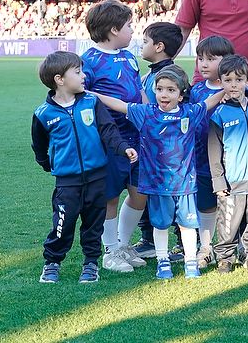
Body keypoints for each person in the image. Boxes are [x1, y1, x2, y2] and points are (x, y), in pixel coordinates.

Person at [94, 65, 225, 280]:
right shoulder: (146, 113)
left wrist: (229, 89)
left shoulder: (189, 113)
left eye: (171, 90)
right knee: (161, 224)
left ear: (181, 95)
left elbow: (209, 102)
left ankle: (191, 262)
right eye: (160, 89)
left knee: (187, 225)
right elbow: (120, 105)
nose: (164, 94)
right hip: (158, 185)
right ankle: (163, 261)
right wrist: (93, 94)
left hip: (185, 184)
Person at [31, 51, 139, 284]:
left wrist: (122, 148)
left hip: (97, 177)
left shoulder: (92, 102)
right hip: (67, 181)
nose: (84, 76)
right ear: (60, 79)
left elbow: (108, 131)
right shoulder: (43, 114)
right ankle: (52, 262)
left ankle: (90, 263)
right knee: (63, 224)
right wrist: (47, 164)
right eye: (78, 72)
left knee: (93, 225)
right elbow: (39, 145)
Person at [80, 0, 147, 273]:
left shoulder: (130, 57)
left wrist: (149, 117)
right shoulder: (88, 61)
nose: (133, 30)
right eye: (129, 25)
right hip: (108, 139)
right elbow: (82, 97)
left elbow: (138, 91)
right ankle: (110, 251)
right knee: (110, 196)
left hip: (136, 136)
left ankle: (123, 243)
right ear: (113, 29)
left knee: (140, 192)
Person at [208, 54, 248, 273]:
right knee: (228, 221)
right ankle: (225, 257)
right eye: (228, 80)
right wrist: (218, 180)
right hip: (231, 180)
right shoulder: (220, 114)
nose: (233, 85)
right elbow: (214, 151)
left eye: (238, 79)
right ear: (220, 82)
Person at [133, 21, 185, 260]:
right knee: (149, 192)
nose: (141, 45)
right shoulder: (150, 75)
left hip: (167, 150)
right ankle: (149, 240)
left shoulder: (171, 76)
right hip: (149, 148)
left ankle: (184, 243)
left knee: (174, 196)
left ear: (159, 47)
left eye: (145, 41)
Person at [190, 35, 236, 268]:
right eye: (200, 59)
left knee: (232, 201)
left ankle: (234, 244)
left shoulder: (236, 89)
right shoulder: (196, 90)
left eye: (211, 59)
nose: (204, 64)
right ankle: (206, 247)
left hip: (231, 158)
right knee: (205, 203)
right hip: (201, 158)